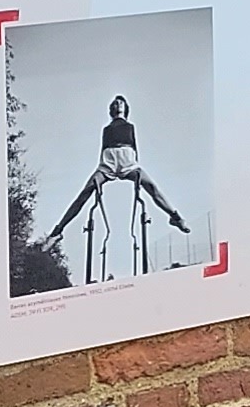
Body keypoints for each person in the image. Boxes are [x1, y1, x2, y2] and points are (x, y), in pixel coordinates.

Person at [46, 94, 197, 278]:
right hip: (108, 162)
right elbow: (102, 151)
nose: (118, 104)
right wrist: (100, 173)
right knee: (84, 194)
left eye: (121, 103)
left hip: (128, 161)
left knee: (152, 188)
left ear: (125, 108)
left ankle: (175, 217)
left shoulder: (130, 127)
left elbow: (135, 149)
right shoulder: (106, 129)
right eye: (115, 103)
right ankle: (57, 232)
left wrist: (135, 169)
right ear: (111, 109)